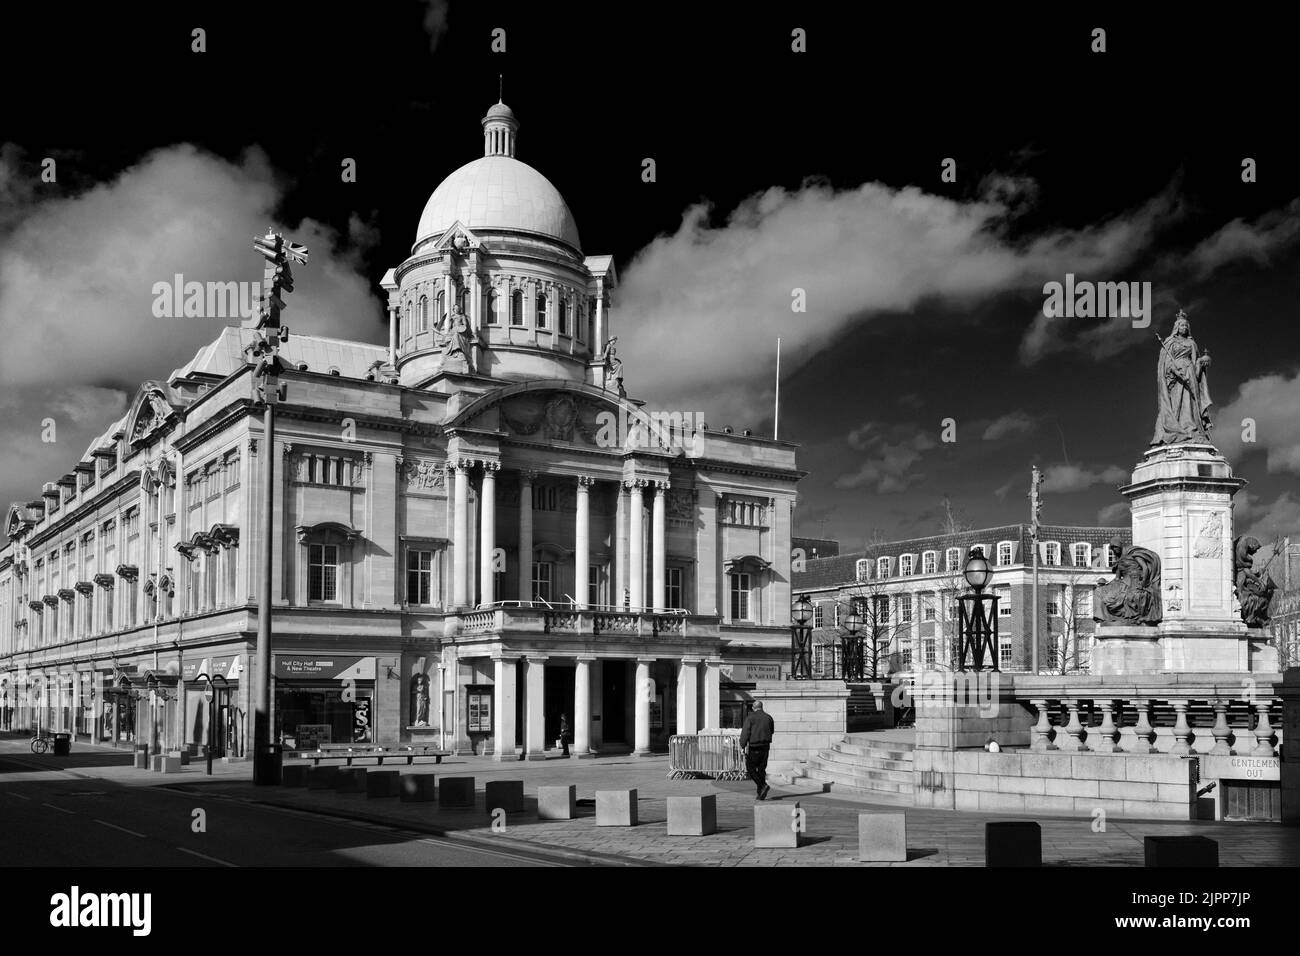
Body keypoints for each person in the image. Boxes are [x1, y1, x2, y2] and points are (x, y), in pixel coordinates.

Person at [739, 700, 775, 800]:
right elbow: (771, 731)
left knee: (750, 768)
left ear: (753, 708)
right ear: (761, 707)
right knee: (761, 770)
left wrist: (742, 745)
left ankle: (763, 786)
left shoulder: (750, 718)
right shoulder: (768, 717)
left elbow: (745, 733)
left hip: (754, 746)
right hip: (765, 746)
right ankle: (761, 793)